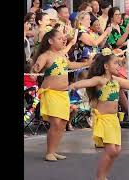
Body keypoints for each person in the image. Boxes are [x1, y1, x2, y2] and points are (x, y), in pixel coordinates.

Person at [69, 48, 129, 180]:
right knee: (110, 150)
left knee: (117, 151)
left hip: (113, 119)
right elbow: (86, 82)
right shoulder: (100, 80)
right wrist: (73, 86)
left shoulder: (116, 80)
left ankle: (104, 175)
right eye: (116, 63)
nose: (118, 66)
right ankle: (100, 177)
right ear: (106, 66)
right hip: (104, 119)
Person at [31, 29, 95, 161]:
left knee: (62, 123)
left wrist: (88, 63)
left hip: (63, 94)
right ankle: (49, 152)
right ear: (50, 41)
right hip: (51, 93)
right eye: (60, 38)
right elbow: (35, 70)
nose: (63, 40)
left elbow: (71, 65)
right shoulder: (45, 56)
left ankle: (54, 151)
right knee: (55, 123)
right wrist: (34, 70)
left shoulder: (62, 55)